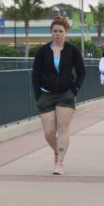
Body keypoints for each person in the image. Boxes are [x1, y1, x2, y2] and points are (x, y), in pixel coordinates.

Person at [31, 17, 86, 175]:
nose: (58, 34)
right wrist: (38, 94)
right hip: (45, 94)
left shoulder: (72, 50)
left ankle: (59, 162)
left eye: (61, 31)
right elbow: (35, 74)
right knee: (49, 132)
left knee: (63, 128)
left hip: (66, 93)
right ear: (51, 32)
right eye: (55, 31)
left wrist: (75, 89)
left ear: (66, 32)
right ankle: (57, 151)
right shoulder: (42, 51)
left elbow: (81, 71)